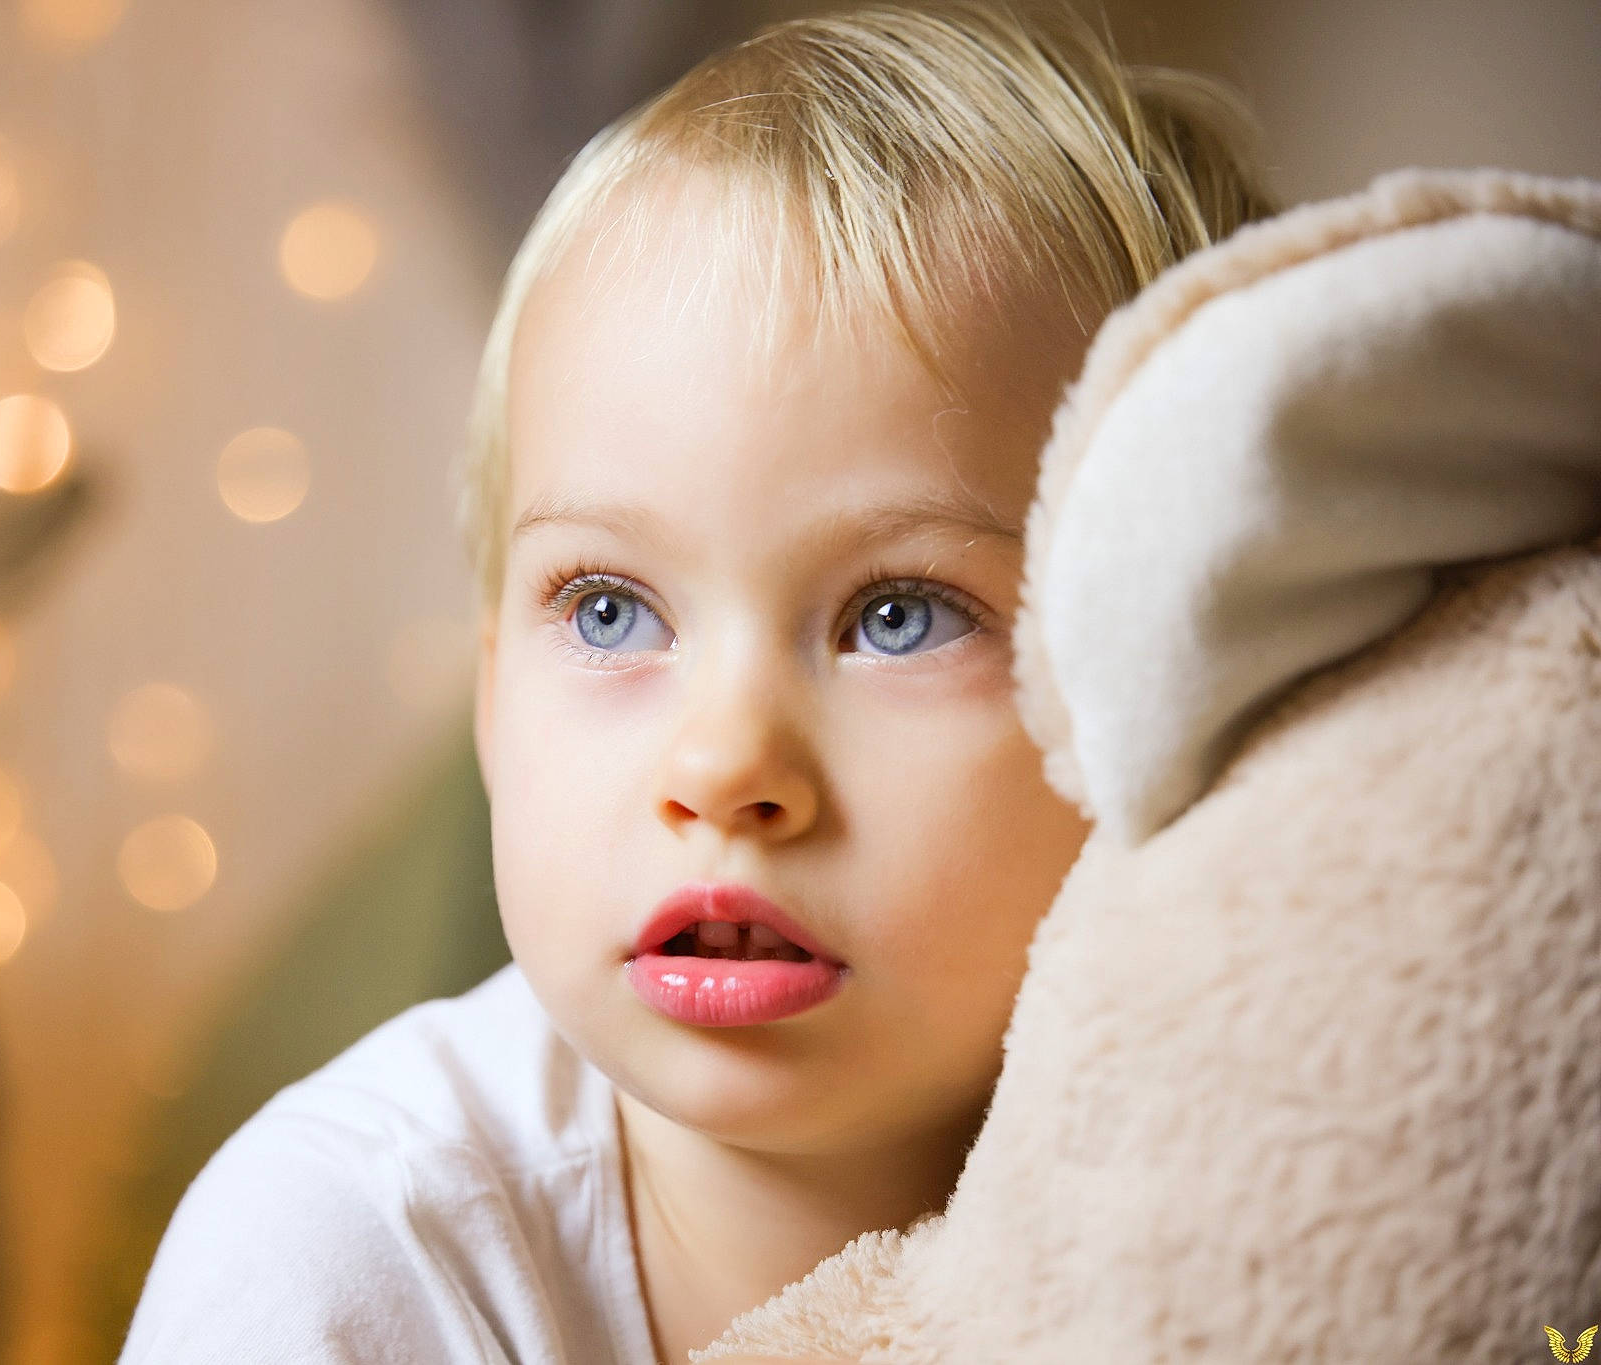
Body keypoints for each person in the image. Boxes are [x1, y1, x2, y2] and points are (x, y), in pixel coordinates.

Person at [120, 5, 1274, 1361]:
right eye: (609, 608)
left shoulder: (1269, 1180)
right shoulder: (347, 1264)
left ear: (1175, 694)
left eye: (897, 615)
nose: (723, 764)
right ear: (494, 702)